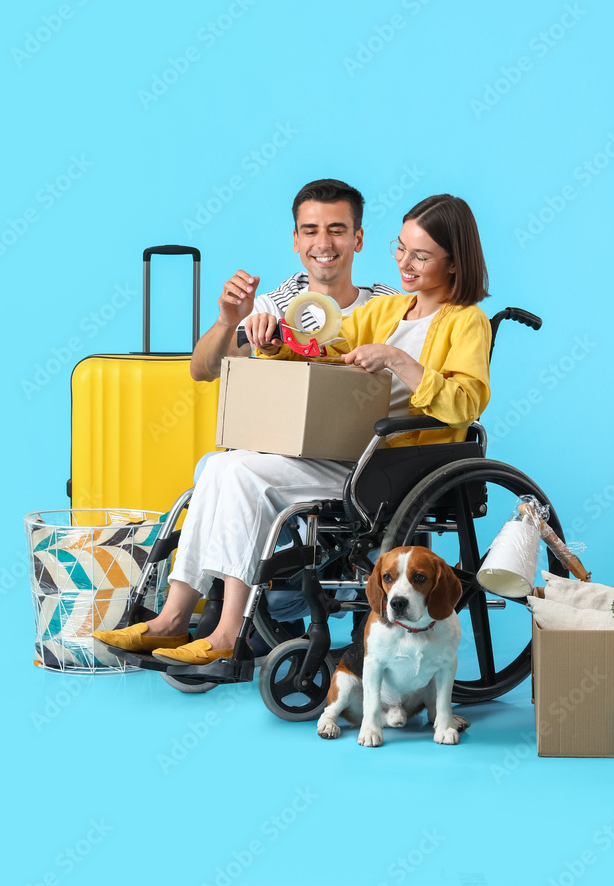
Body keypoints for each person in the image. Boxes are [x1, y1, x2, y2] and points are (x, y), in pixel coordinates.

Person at [94, 194, 491, 663]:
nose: (405, 262)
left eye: (421, 255)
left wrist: (398, 360)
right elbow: (321, 349)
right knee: (221, 466)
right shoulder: (387, 312)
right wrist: (274, 337)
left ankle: (226, 632)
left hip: (393, 467)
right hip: (346, 451)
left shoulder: (468, 322)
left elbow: (467, 401)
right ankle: (174, 617)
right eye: (400, 248)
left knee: (242, 475)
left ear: (454, 261)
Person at [189, 177, 398, 383]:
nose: (323, 243)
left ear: (358, 240)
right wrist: (226, 323)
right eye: (310, 231)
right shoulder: (271, 308)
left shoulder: (392, 307)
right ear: (296, 240)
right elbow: (205, 371)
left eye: (336, 231)